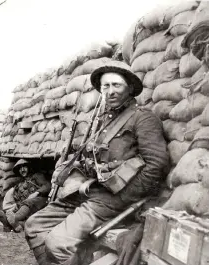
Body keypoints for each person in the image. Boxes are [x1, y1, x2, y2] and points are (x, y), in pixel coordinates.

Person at [24, 60, 170, 265]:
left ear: (129, 88)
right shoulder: (103, 122)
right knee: (34, 225)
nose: (111, 91)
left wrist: (124, 196)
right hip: (92, 191)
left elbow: (156, 165)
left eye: (116, 85)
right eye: (106, 86)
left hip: (116, 198)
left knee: (57, 243)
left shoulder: (143, 119)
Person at [0, 159, 51, 232]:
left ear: (29, 168)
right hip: (27, 209)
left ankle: (13, 220)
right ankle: (11, 224)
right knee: (20, 212)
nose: (22, 170)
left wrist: (36, 193)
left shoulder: (37, 176)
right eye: (20, 168)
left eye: (24, 167)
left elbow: (47, 186)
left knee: (28, 203)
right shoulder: (20, 185)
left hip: (41, 203)